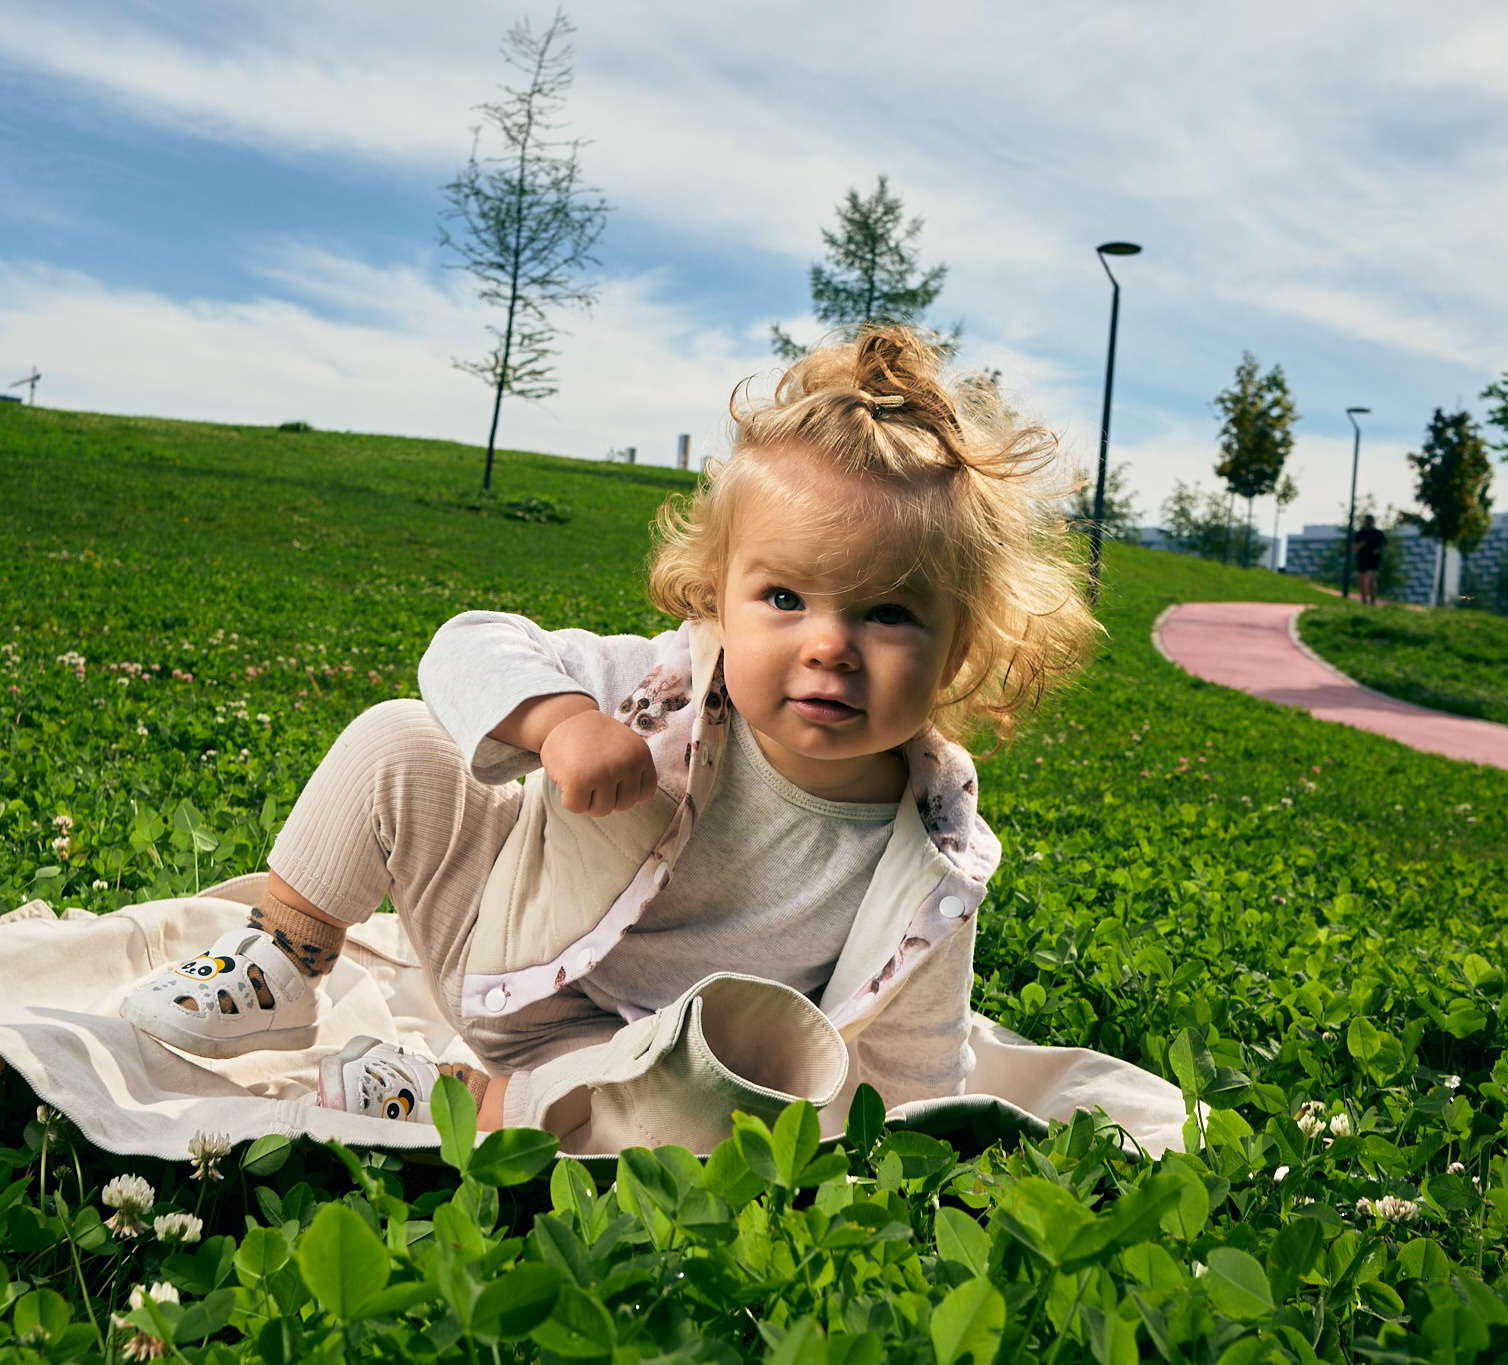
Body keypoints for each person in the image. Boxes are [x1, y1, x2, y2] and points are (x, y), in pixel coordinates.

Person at [121, 326, 1095, 1138]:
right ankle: (284, 957)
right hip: (497, 943)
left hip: (621, 1060)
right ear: (717, 598)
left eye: (887, 613)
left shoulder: (932, 852)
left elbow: (915, 1053)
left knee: (707, 1112)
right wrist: (561, 722)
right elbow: (466, 645)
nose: (829, 646)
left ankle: (457, 1101)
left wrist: (917, 1149)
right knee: (403, 742)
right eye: (784, 598)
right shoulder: (668, 690)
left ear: (958, 646)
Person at [1352, 514, 1387, 605]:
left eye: (1370, 520)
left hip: (1373, 561)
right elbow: (1353, 548)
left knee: (1371, 581)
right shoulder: (1360, 533)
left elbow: (1385, 545)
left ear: (1373, 521)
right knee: (1361, 581)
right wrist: (1360, 545)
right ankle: (1363, 599)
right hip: (1362, 560)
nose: (1368, 522)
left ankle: (1372, 599)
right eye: (1367, 520)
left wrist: (1378, 550)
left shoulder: (1378, 533)